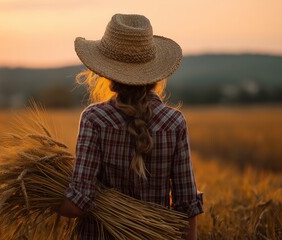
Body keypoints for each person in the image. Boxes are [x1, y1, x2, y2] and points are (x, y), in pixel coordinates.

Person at [57, 13, 203, 240]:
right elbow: (187, 204)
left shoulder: (94, 119)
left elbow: (79, 204)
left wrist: (37, 196)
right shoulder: (175, 123)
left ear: (107, 73)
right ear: (155, 73)